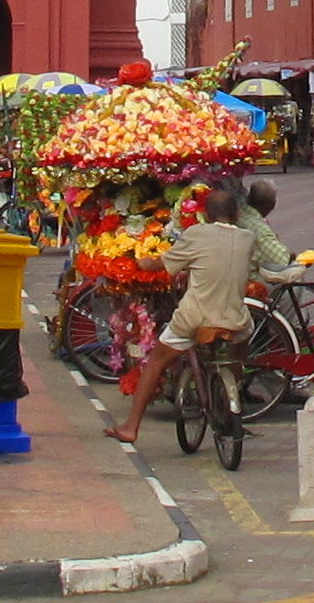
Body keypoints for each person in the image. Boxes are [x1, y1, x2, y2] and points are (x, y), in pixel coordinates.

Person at [108, 177, 260, 442]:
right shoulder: (248, 237)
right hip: (235, 317)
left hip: (194, 317)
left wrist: (142, 263)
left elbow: (161, 265)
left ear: (203, 215)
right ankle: (232, 382)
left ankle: (130, 427)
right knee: (244, 335)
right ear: (236, 213)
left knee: (156, 361)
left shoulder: (196, 234)